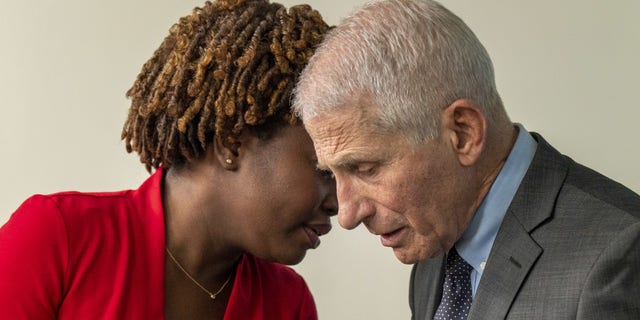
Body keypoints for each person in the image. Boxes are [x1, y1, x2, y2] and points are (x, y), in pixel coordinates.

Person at [292, 0, 640, 319]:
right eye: (333, 174)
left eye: (366, 168)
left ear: (463, 133)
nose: (348, 214)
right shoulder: (438, 235)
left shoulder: (619, 256)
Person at [0, 0, 336, 319]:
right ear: (231, 143)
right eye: (325, 171)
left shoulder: (288, 303)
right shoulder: (58, 239)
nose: (340, 203)